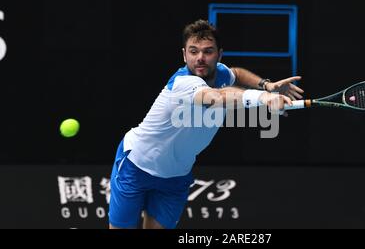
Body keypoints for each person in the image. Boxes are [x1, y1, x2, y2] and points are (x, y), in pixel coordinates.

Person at [108, 19, 304, 229]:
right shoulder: (183, 83)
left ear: (219, 54)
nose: (200, 58)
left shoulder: (220, 72)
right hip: (136, 165)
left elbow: (236, 73)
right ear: (184, 55)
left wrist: (267, 84)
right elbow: (217, 97)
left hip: (176, 176)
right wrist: (263, 97)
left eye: (208, 51)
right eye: (193, 52)